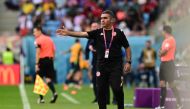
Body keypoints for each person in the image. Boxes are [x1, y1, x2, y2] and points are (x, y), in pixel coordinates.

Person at [56, 10, 132, 109]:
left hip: (115, 66)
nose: (102, 20)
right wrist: (68, 33)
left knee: (117, 89)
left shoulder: (119, 33)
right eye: (101, 18)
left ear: (112, 20)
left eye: (105, 18)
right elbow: (82, 34)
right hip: (101, 66)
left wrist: (128, 62)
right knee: (100, 90)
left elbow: (127, 47)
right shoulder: (97, 32)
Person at [155, 25, 183, 109]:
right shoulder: (165, 41)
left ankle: (180, 103)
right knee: (162, 84)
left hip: (169, 64)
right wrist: (160, 53)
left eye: (162, 31)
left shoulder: (171, 40)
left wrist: (160, 53)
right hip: (163, 63)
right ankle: (162, 105)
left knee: (171, 84)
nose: (161, 32)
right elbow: (160, 52)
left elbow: (162, 52)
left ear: (165, 31)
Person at [33, 25, 58, 104]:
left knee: (39, 79)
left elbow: (38, 52)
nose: (34, 33)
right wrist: (52, 58)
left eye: (35, 31)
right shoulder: (49, 39)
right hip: (50, 60)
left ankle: (41, 99)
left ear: (39, 31)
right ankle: (54, 93)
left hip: (42, 60)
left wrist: (36, 64)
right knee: (48, 79)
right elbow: (54, 50)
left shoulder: (38, 40)